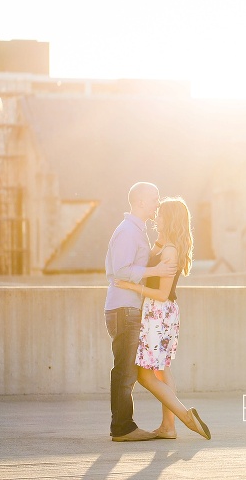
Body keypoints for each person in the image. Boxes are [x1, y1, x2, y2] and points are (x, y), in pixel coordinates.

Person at [115, 196, 211, 440]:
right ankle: (168, 427)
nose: (155, 218)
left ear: (169, 219)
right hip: (158, 313)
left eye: (160, 215)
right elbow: (147, 263)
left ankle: (185, 416)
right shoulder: (163, 245)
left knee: (145, 374)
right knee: (161, 371)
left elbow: (162, 293)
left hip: (158, 314)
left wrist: (130, 285)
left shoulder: (170, 251)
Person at [104, 182, 177, 442]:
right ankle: (123, 428)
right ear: (141, 202)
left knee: (126, 370)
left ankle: (123, 425)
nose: (158, 204)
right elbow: (121, 270)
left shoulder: (137, 231)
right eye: (155, 199)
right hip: (124, 308)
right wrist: (156, 271)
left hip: (128, 307)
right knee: (125, 371)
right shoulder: (128, 231)